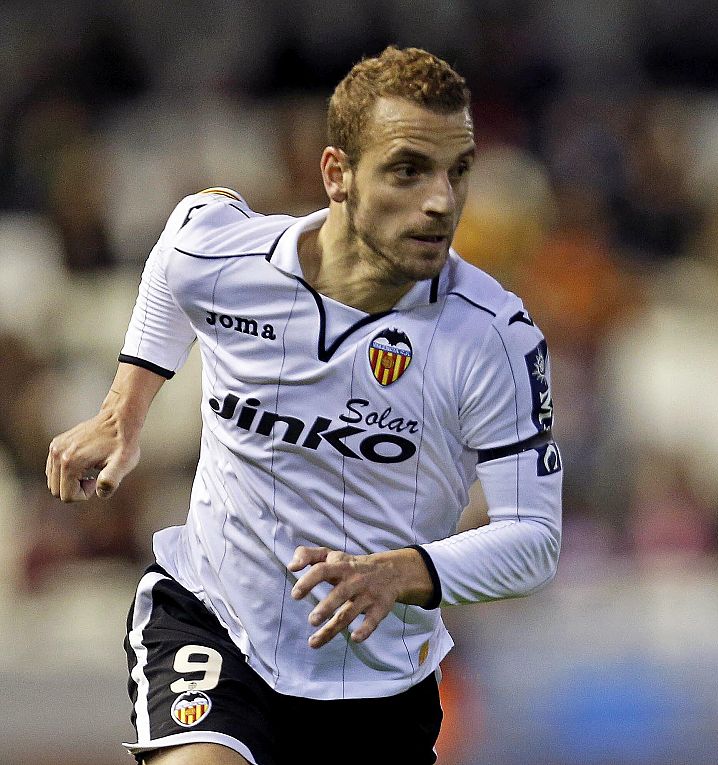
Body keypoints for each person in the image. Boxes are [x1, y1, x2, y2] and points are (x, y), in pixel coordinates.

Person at [45, 47, 562, 765]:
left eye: (458, 170)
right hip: (215, 624)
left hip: (375, 684)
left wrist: (401, 571)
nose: (441, 200)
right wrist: (123, 407)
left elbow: (534, 539)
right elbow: (181, 242)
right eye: (408, 170)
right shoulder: (231, 260)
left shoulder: (495, 338)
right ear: (336, 174)